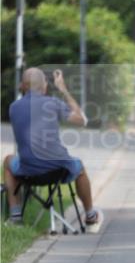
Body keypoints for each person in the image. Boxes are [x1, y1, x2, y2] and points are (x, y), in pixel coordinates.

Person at [3, 68, 103, 231]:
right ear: (44, 86)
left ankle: (15, 217)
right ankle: (91, 217)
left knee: (8, 161)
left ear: (22, 86)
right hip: (58, 170)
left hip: (28, 171)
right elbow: (82, 120)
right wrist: (63, 89)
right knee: (80, 167)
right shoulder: (53, 104)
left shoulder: (13, 107)